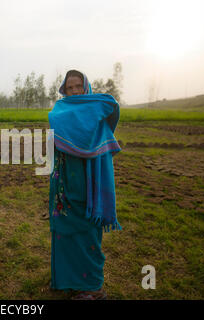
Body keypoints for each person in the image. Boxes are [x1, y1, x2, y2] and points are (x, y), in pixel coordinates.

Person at [48, 69, 122, 300]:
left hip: (89, 186)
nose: (74, 91)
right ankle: (68, 280)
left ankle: (93, 287)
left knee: (88, 234)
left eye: (78, 86)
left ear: (86, 87)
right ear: (63, 90)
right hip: (64, 185)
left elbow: (112, 108)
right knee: (64, 234)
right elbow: (53, 146)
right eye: (69, 88)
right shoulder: (59, 112)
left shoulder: (96, 115)